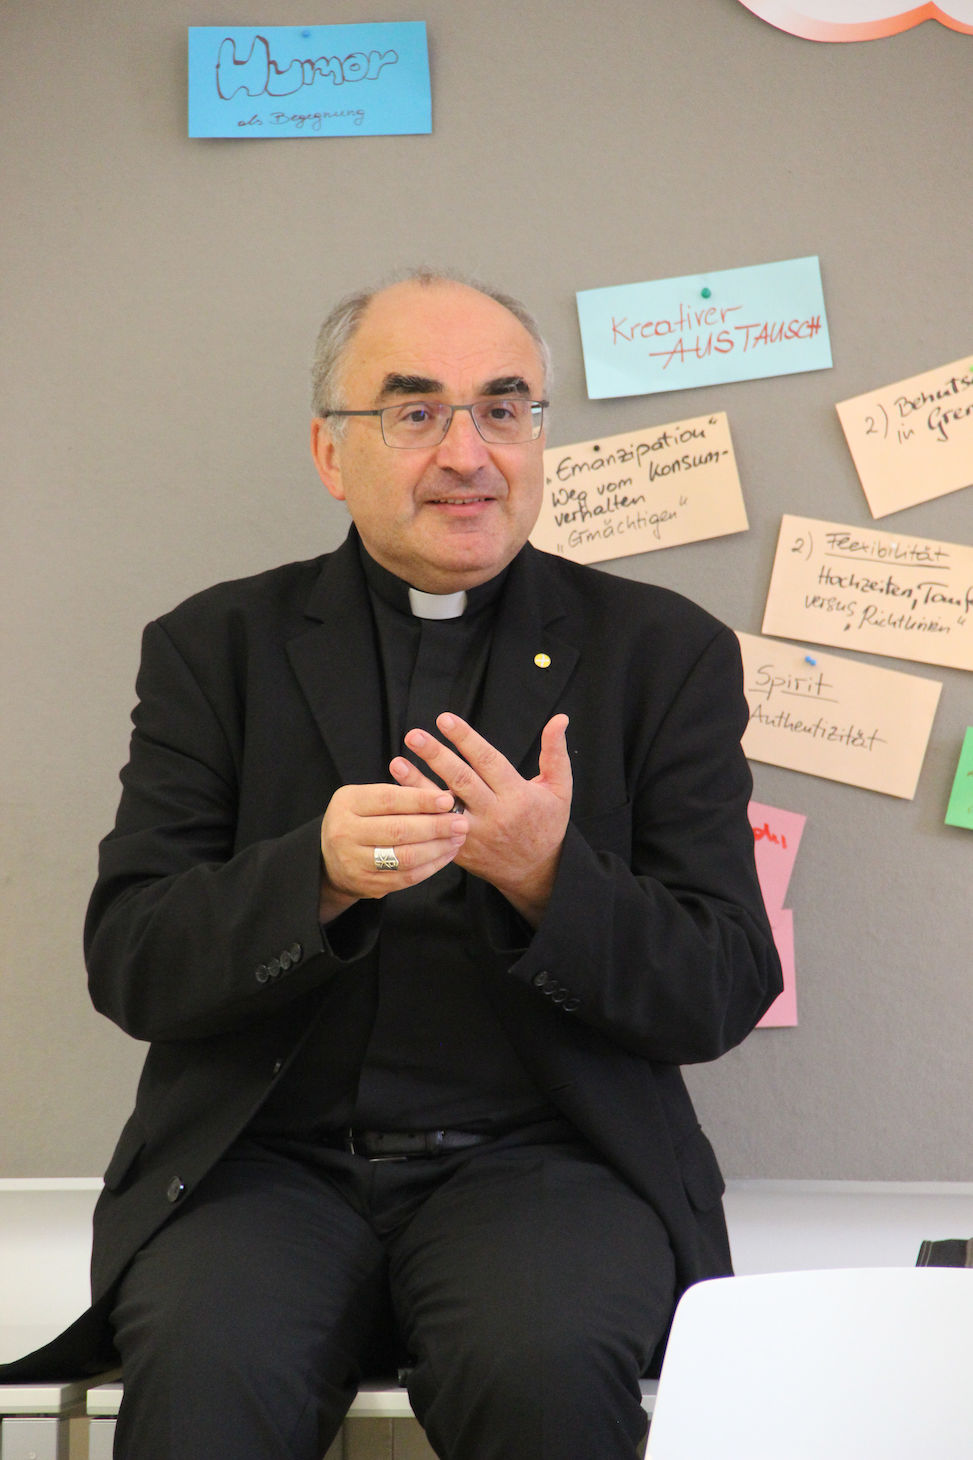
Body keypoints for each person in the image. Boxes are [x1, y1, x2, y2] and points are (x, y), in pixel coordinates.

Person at [2, 269, 781, 1459]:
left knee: (544, 1372)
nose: (468, 453)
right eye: (415, 412)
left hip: (550, 1170)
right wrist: (312, 876)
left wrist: (548, 879)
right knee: (207, 1378)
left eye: (503, 409)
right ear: (332, 451)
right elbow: (132, 962)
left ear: (538, 436)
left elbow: (720, 985)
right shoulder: (215, 646)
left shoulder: (662, 652)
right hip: (262, 1170)